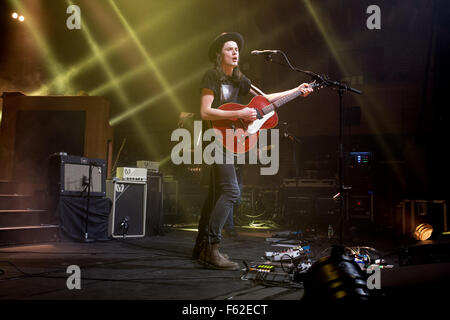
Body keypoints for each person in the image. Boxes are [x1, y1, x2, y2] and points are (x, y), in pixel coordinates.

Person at [193, 32, 313, 270]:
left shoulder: (240, 79)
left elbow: (265, 99)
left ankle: (201, 246)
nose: (235, 52)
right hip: (215, 139)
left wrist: (295, 91)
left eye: (237, 48)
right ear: (219, 54)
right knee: (231, 192)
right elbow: (205, 112)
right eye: (229, 49)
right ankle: (211, 248)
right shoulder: (211, 76)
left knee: (216, 195)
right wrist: (238, 114)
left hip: (231, 141)